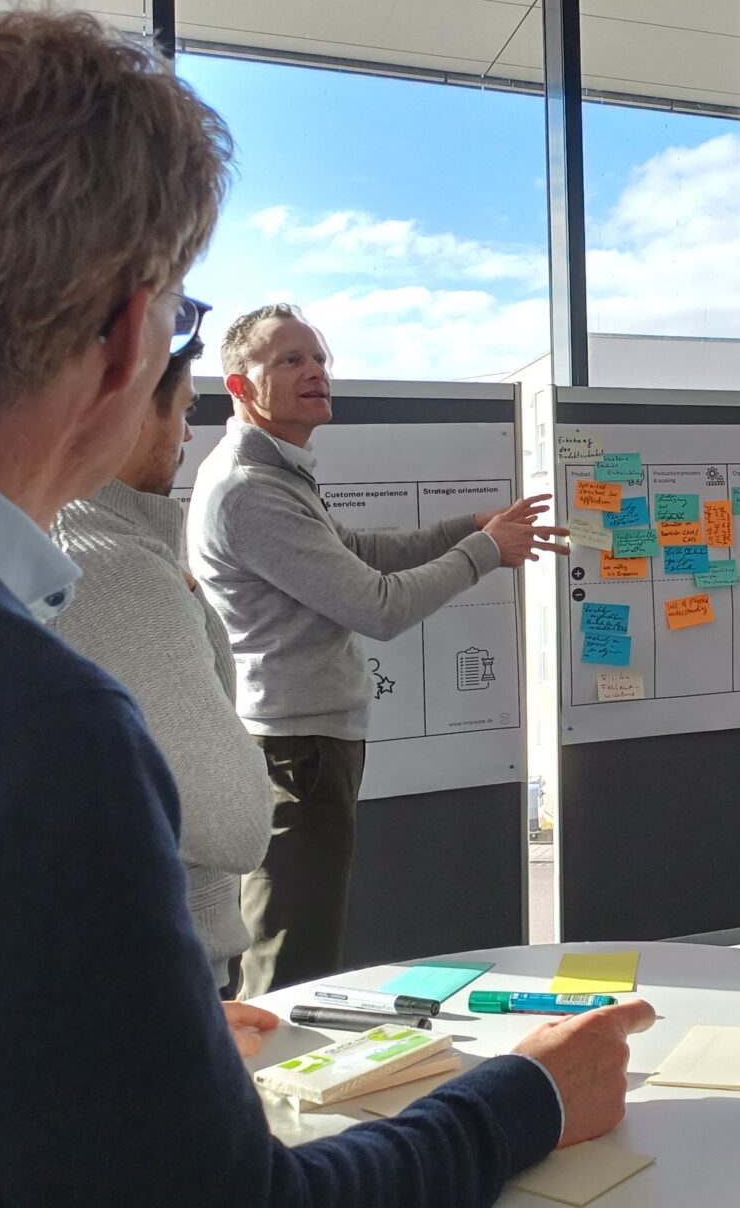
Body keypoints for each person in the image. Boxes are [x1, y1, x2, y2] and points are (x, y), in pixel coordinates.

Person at [0, 2, 651, 1205]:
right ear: (130, 343)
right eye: (185, 322)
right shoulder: (35, 731)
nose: (316, 373)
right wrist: (526, 1098)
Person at [188, 304, 568, 996]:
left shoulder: (277, 472)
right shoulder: (250, 489)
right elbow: (378, 606)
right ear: (240, 387)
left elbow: (357, 551)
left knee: (299, 940)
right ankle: (278, 1066)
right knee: (293, 961)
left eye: (318, 357)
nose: (315, 371)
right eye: (289, 360)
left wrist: (468, 527)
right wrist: (486, 550)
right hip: (295, 752)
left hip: (304, 742)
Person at [51, 334, 274, 997]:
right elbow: (233, 822)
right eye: (182, 408)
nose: (186, 433)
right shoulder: (113, 567)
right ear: (128, 405)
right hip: (152, 974)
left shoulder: (65, 541)